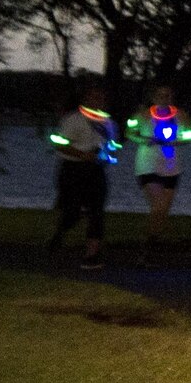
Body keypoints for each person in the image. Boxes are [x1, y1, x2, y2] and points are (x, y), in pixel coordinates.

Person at [45, 83, 118, 270]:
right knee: (74, 210)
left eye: (101, 98)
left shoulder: (108, 123)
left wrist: (107, 155)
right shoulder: (74, 120)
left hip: (96, 170)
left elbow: (111, 145)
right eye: (93, 97)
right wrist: (82, 154)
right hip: (72, 168)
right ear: (86, 99)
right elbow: (59, 143)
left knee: (97, 210)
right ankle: (60, 233)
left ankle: (92, 254)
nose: (98, 101)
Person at [123, 85, 191, 258]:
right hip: (148, 166)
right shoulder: (143, 115)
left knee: (163, 210)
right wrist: (145, 139)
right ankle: (148, 246)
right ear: (154, 97)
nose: (164, 98)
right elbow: (129, 132)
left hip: (172, 168)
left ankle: (153, 242)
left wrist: (178, 141)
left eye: (167, 95)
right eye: (160, 95)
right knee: (159, 205)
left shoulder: (181, 115)